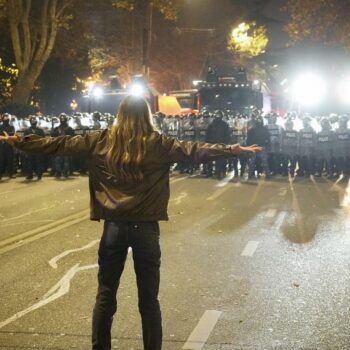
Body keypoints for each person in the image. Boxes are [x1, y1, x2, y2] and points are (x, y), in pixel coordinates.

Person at [0, 95, 261, 350]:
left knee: (105, 296)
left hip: (113, 227)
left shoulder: (100, 140)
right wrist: (231, 150)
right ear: (147, 115)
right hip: (146, 229)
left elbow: (58, 145)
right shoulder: (158, 143)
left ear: (120, 114)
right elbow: (194, 151)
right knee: (149, 300)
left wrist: (21, 142)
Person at [0, 113, 16, 180]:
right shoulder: (0, 127)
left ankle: (10, 174)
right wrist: (6, 137)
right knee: (1, 161)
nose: (5, 118)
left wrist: (5, 136)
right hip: (1, 146)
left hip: (9, 146)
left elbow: (11, 135)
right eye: (4, 117)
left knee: (10, 160)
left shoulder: (12, 127)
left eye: (7, 117)